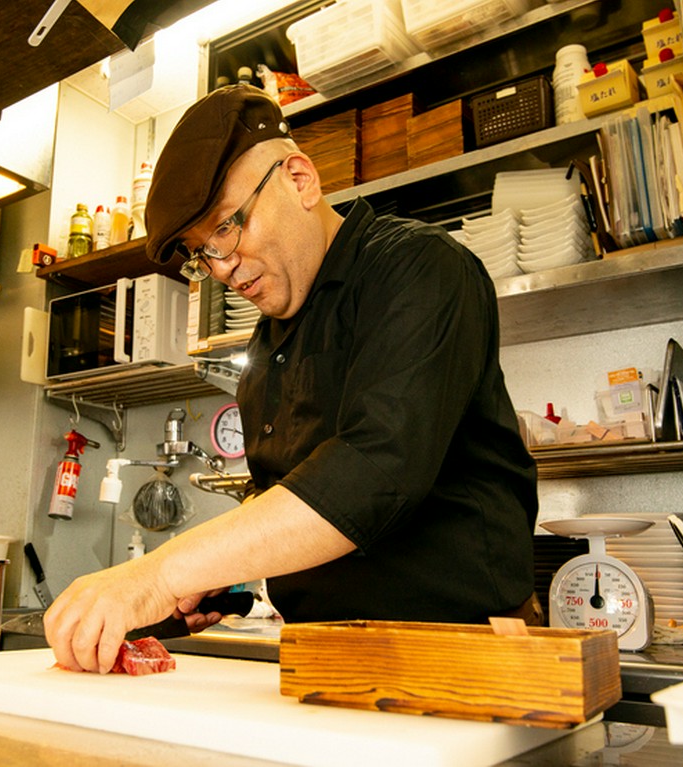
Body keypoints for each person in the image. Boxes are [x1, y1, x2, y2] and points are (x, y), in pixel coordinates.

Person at [44, 85, 540, 674]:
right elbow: (284, 496)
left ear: (300, 180)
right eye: (201, 253)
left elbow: (374, 473)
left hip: (462, 651)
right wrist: (214, 581)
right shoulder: (266, 348)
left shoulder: (418, 267)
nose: (221, 268)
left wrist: (162, 570)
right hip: (323, 658)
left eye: (226, 229)